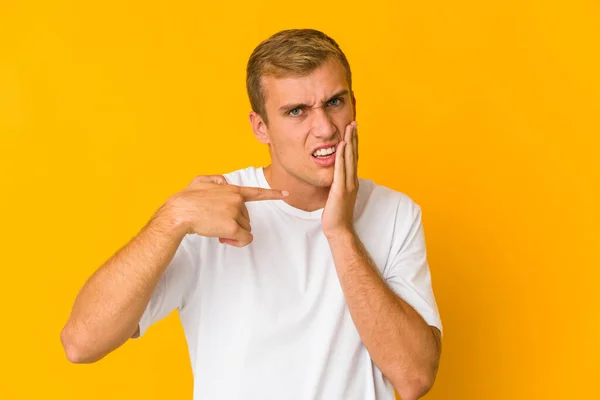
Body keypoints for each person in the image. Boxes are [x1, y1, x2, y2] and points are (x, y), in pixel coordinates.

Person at [61, 29, 443, 400]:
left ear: (354, 105)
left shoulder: (395, 213)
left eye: (335, 102)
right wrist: (172, 218)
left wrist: (340, 231)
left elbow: (414, 378)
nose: (325, 128)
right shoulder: (212, 209)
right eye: (297, 111)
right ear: (261, 127)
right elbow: (81, 342)